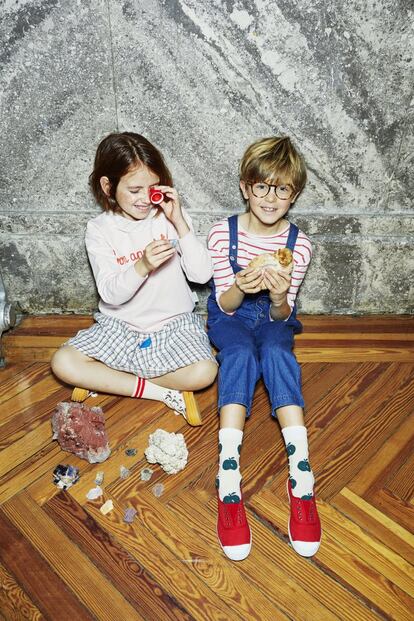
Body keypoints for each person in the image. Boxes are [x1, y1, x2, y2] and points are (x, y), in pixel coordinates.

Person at [207, 136, 321, 561]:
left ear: (294, 194)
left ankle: (302, 476)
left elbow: (281, 316)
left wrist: (276, 297)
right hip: (231, 314)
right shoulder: (223, 234)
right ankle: (229, 475)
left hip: (272, 316)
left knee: (276, 353)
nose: (271, 198)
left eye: (283, 188)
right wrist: (241, 284)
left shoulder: (299, 245)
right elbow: (224, 304)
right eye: (262, 186)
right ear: (245, 187)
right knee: (238, 355)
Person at [52, 132, 217, 423]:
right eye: (135, 189)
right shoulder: (100, 229)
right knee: (63, 363)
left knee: (205, 371)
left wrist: (179, 222)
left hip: (172, 325)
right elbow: (110, 294)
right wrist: (141, 266)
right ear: (108, 186)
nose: (145, 199)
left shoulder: (169, 217)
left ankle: (112, 379)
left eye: (152, 188)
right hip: (119, 326)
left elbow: (203, 274)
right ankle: (158, 392)